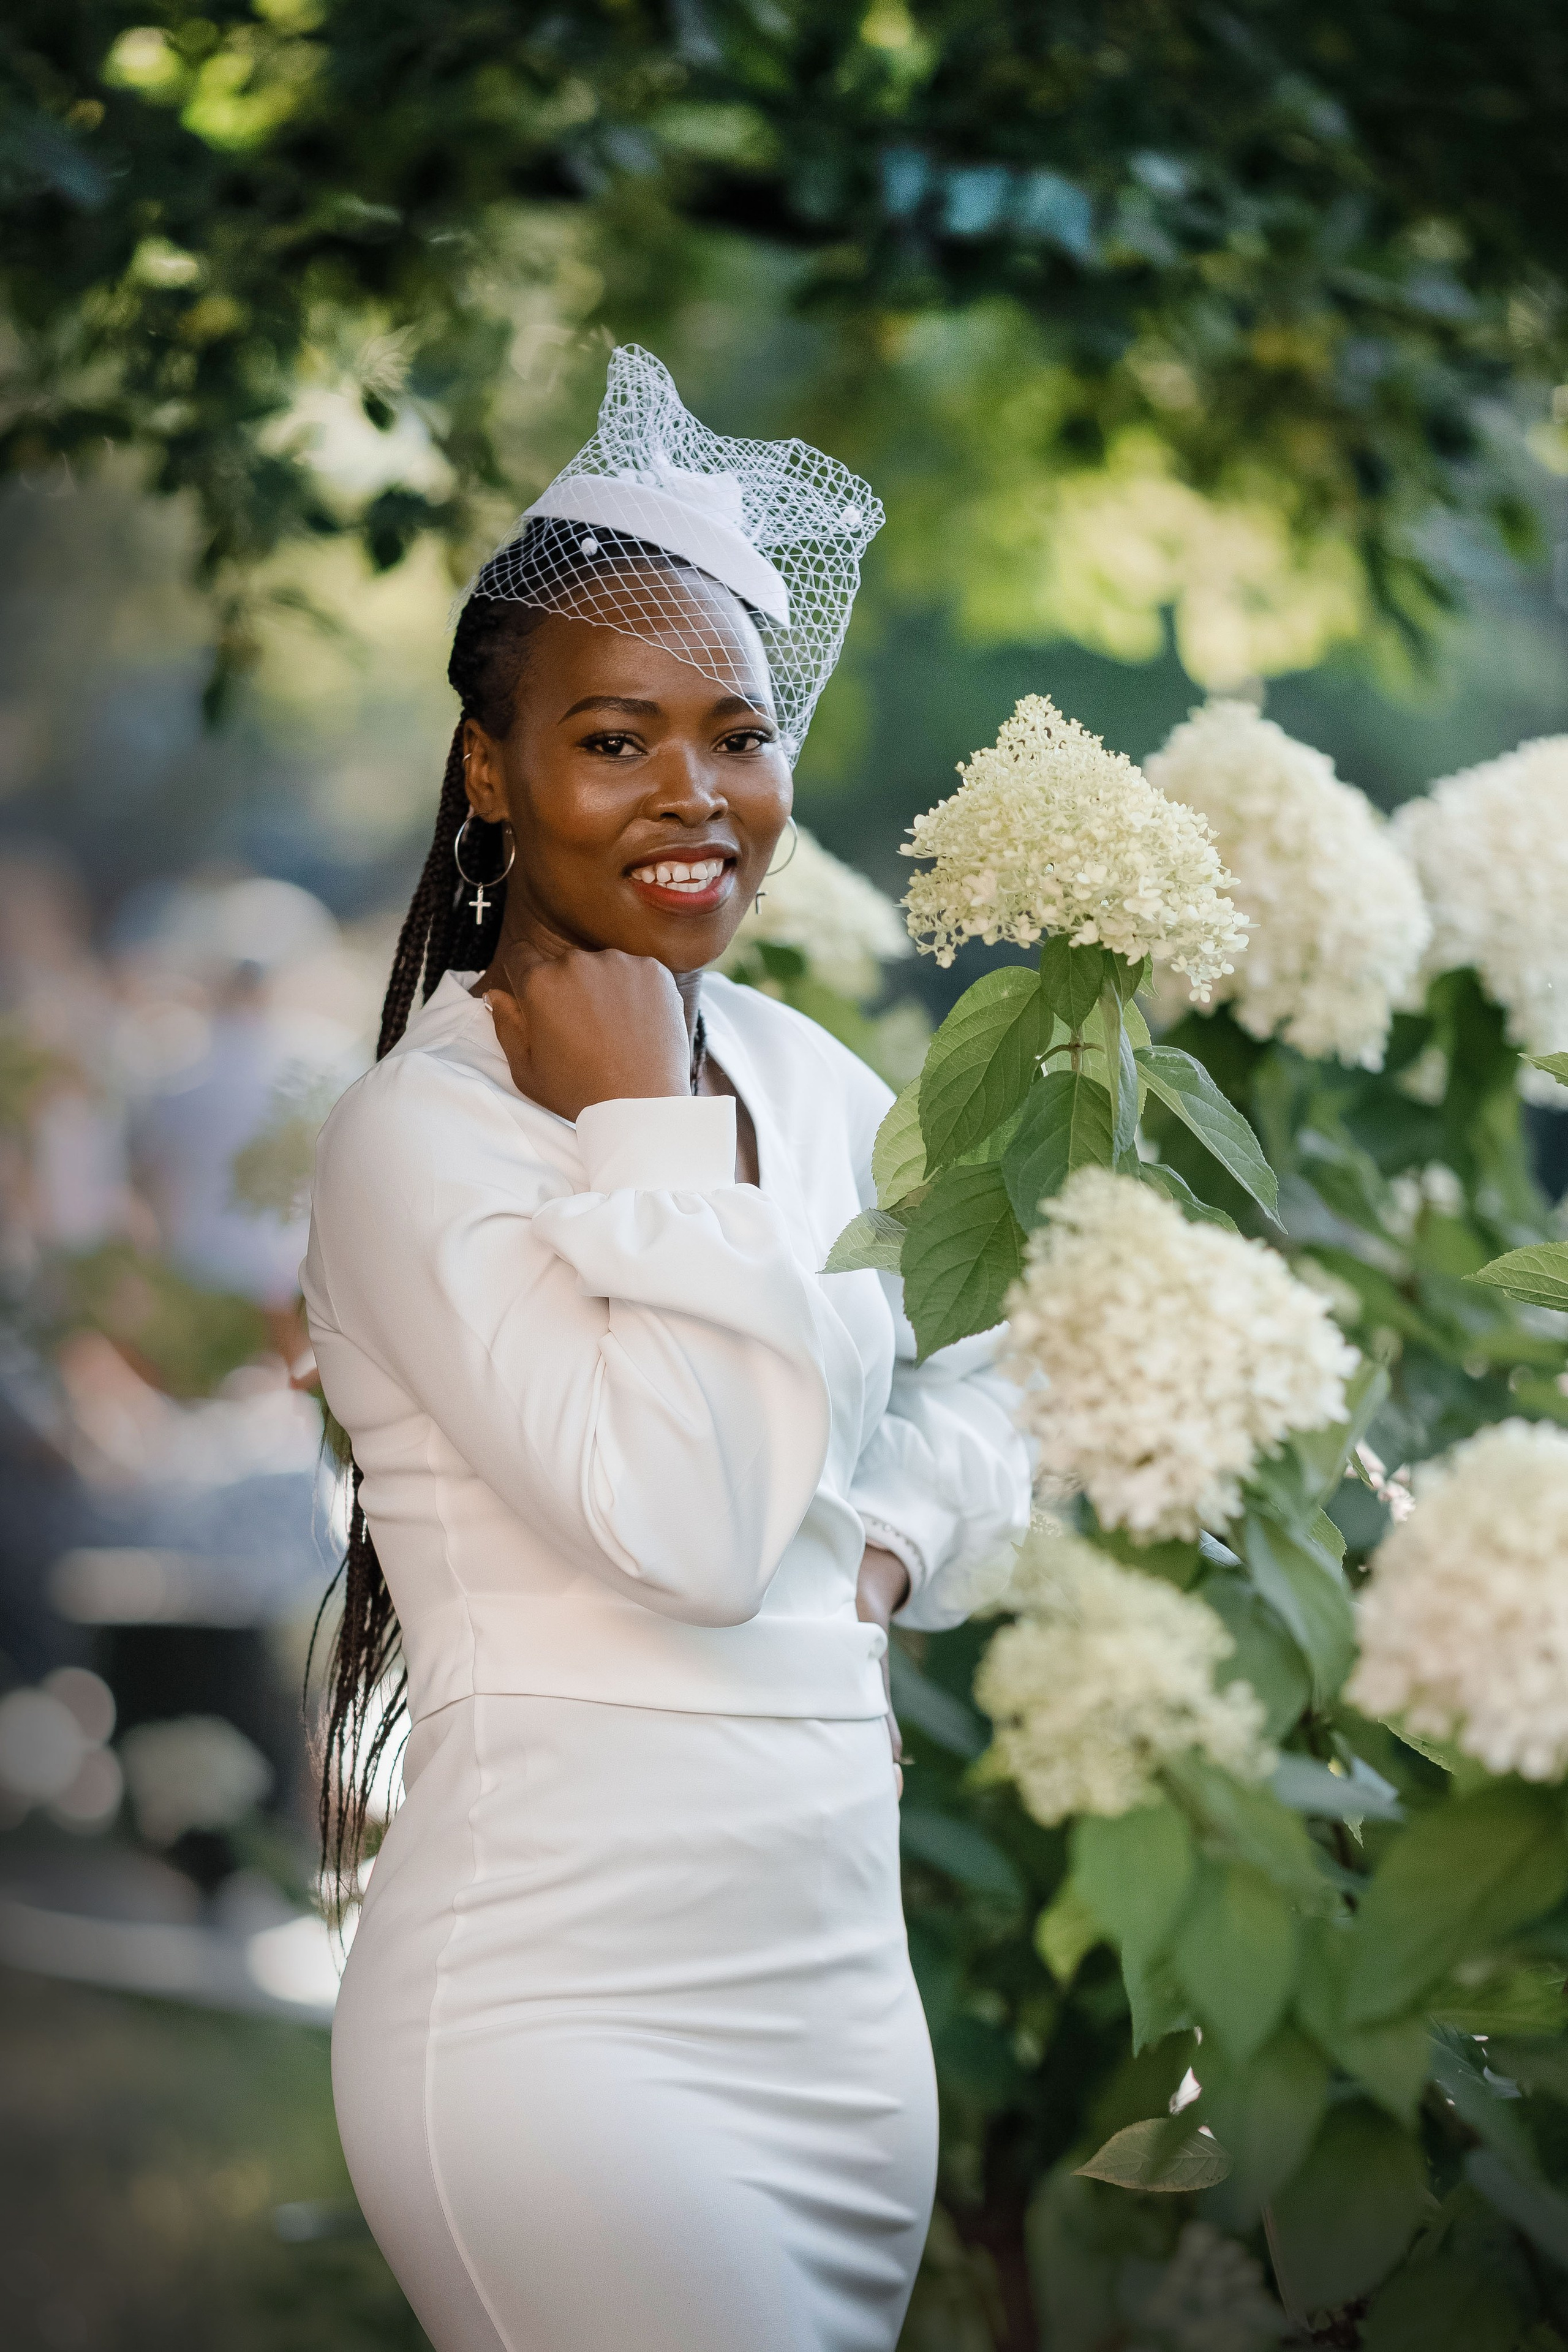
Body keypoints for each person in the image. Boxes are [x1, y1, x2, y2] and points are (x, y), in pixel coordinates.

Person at [303, 347, 1030, 2352]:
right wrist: (643, 1126)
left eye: (739, 734)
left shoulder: (814, 1080)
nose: (695, 795)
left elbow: (999, 1362)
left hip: (837, 2027)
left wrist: (880, 1544)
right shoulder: (424, 1139)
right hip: (560, 2029)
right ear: (490, 771)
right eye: (615, 739)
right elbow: (697, 1537)